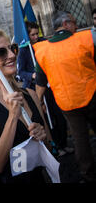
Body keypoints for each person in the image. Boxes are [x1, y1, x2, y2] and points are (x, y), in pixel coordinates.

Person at [0, 29, 52, 183]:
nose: (12, 55)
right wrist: (13, 117)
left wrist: (43, 138)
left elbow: (50, 149)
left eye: (12, 48)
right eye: (1, 52)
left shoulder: (30, 94)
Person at [34, 11, 96, 183]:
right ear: (66, 24)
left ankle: (88, 174)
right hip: (92, 94)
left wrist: (39, 102)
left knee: (79, 138)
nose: (76, 26)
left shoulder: (42, 50)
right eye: (74, 23)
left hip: (67, 102)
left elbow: (40, 82)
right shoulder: (86, 38)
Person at [18, 21, 71, 157]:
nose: (36, 37)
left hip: (51, 86)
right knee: (47, 118)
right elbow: (21, 72)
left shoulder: (45, 43)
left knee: (59, 115)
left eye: (37, 33)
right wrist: (32, 75)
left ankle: (64, 143)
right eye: (32, 35)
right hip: (35, 88)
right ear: (27, 35)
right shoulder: (24, 50)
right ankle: (56, 146)